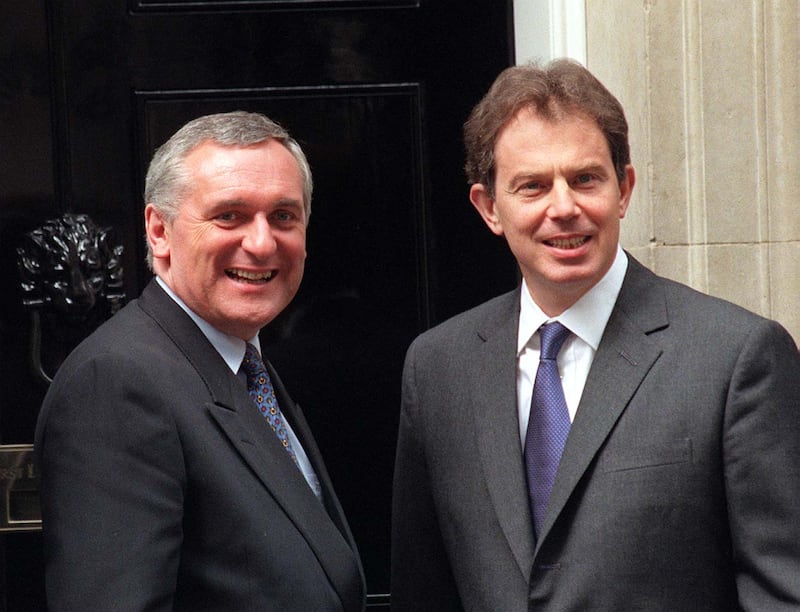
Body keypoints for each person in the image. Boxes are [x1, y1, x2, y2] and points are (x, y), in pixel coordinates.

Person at [391, 59, 800, 611]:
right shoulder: (438, 368)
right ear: (489, 207)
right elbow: (424, 592)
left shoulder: (734, 359)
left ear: (624, 189)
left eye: (585, 179)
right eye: (532, 186)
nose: (564, 208)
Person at [35, 111, 366, 611]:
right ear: (159, 231)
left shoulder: (243, 364)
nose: (261, 243)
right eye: (228, 215)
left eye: (284, 216)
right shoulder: (116, 385)